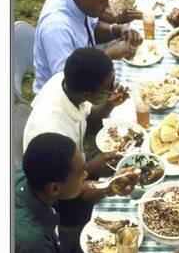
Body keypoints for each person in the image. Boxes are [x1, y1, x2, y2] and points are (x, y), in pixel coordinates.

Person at [24, 47, 139, 226]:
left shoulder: (67, 84)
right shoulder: (52, 129)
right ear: (86, 94)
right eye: (107, 89)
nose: (112, 88)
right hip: (60, 200)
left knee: (129, 160)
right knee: (121, 191)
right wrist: (105, 183)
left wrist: (109, 103)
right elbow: (64, 192)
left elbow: (88, 119)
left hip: (73, 168)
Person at [33, 0, 142, 93]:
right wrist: (108, 55)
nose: (107, 7)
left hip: (85, 81)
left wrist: (117, 30)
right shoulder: (57, 29)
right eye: (102, 1)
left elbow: (92, 27)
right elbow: (68, 84)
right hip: (60, 100)